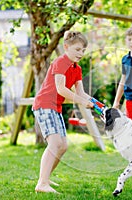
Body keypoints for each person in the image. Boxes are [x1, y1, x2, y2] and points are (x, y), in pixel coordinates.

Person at [32, 31, 94, 193]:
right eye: (78, 49)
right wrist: (82, 102)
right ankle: (42, 183)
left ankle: (44, 179)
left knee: (63, 146)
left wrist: (95, 103)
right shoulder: (61, 62)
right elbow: (61, 89)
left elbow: (81, 93)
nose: (81, 53)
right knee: (55, 143)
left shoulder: (77, 69)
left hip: (55, 107)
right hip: (45, 103)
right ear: (66, 47)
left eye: (83, 50)